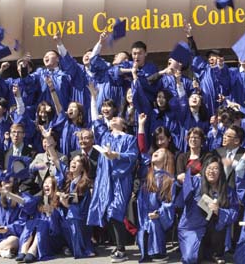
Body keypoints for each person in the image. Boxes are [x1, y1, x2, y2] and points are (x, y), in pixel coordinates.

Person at [86, 109, 138, 263]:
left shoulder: (129, 138)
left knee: (115, 210)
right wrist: (94, 97)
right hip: (104, 180)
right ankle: (118, 246)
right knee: (106, 211)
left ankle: (121, 249)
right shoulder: (105, 137)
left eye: (117, 118)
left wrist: (116, 155)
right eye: (112, 118)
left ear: (124, 125)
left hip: (120, 179)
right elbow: (96, 120)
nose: (113, 119)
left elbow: (133, 156)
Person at [178, 154, 239, 264]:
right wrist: (186, 179)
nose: (212, 171)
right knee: (190, 259)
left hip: (214, 231)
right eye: (209, 168)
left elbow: (234, 213)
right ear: (204, 170)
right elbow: (182, 198)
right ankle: (204, 253)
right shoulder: (196, 182)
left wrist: (219, 211)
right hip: (192, 228)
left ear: (221, 172)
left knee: (220, 222)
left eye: (216, 168)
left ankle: (215, 253)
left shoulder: (227, 190)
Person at [136, 148, 176, 262]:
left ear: (166, 159)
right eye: (155, 151)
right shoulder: (147, 174)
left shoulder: (168, 179)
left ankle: (158, 251)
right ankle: (147, 251)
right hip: (144, 213)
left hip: (159, 215)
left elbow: (168, 202)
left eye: (161, 152)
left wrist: (159, 213)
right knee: (144, 228)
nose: (156, 152)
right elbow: (142, 153)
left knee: (153, 223)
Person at [17, 176, 66, 262]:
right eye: (45, 183)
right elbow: (27, 206)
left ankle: (33, 250)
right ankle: (24, 249)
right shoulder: (39, 200)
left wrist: (52, 212)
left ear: (54, 186)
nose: (46, 185)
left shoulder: (58, 200)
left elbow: (61, 222)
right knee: (31, 222)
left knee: (42, 223)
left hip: (53, 235)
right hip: (37, 232)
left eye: (49, 183)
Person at [55, 152, 95, 258]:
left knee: (72, 214)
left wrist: (64, 200)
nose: (73, 162)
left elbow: (72, 204)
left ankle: (81, 247)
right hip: (71, 212)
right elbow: (56, 161)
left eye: (77, 161)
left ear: (82, 168)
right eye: (73, 160)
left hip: (81, 218)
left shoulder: (84, 184)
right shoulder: (69, 180)